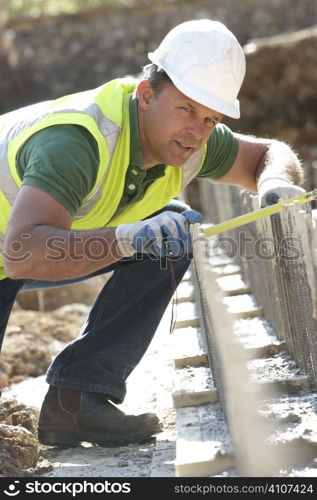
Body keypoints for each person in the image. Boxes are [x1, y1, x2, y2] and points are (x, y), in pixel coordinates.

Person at [0, 19, 305, 448]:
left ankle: (77, 400)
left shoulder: (191, 138)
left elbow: (270, 154)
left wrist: (275, 182)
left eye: (210, 118)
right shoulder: (77, 141)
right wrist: (127, 238)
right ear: (146, 94)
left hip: (27, 249)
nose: (197, 132)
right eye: (186, 110)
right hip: (21, 248)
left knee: (171, 232)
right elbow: (22, 253)